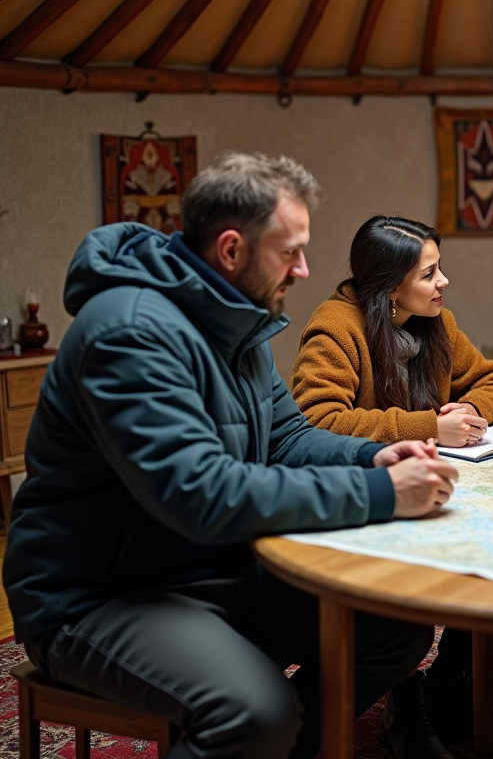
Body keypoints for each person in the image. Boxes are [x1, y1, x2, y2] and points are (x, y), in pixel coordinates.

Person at [3, 153, 464, 759]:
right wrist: (384, 494)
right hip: (98, 596)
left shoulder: (238, 323)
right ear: (229, 250)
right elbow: (201, 495)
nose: (303, 269)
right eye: (290, 251)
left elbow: (288, 439)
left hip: (206, 570)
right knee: (253, 712)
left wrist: (370, 458)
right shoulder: (128, 333)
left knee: (393, 632)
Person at [291, 216, 493, 742]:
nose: (444, 282)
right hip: (364, 499)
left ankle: (452, 682)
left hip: (433, 487)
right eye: (430, 273)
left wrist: (472, 407)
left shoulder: (437, 325)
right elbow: (315, 421)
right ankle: (406, 705)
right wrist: (430, 426)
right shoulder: (336, 327)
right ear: (389, 288)